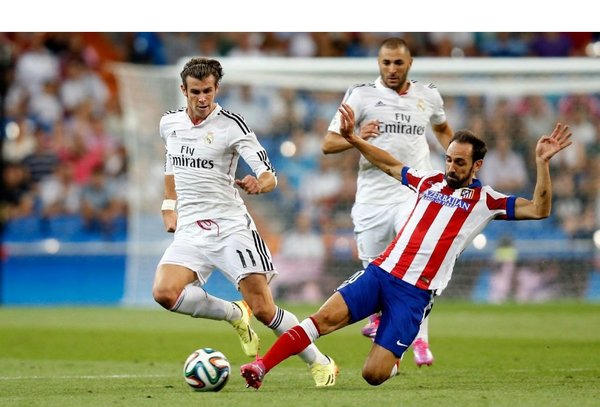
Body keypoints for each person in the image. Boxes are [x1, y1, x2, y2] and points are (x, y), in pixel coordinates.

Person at [239, 103, 571, 389]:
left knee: (374, 374)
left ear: (476, 166)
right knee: (322, 320)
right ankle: (261, 367)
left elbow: (539, 209)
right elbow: (388, 163)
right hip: (381, 272)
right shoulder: (429, 181)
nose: (451, 167)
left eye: (459, 163)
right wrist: (354, 139)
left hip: (415, 294)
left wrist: (542, 164)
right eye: (450, 159)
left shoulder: (486, 200)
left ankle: (392, 349)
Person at [151, 57, 337, 387]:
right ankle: (233, 313)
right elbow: (170, 164)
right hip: (192, 228)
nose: (203, 98)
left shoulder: (232, 125)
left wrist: (259, 183)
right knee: (165, 292)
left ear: (216, 89)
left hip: (231, 228)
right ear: (184, 90)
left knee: (264, 309)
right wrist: (169, 206)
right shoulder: (170, 124)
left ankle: (321, 363)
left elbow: (269, 174)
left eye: (208, 90)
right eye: (195, 92)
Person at [321, 37, 454, 366]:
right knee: (375, 272)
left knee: (415, 266)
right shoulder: (361, 95)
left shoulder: (428, 94)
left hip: (414, 192)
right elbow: (328, 143)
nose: (392, 69)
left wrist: (457, 161)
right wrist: (358, 137)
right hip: (372, 197)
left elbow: (443, 128)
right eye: (386, 63)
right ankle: (385, 337)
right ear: (378, 64)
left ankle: (420, 340)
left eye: (398, 63)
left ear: (410, 63)